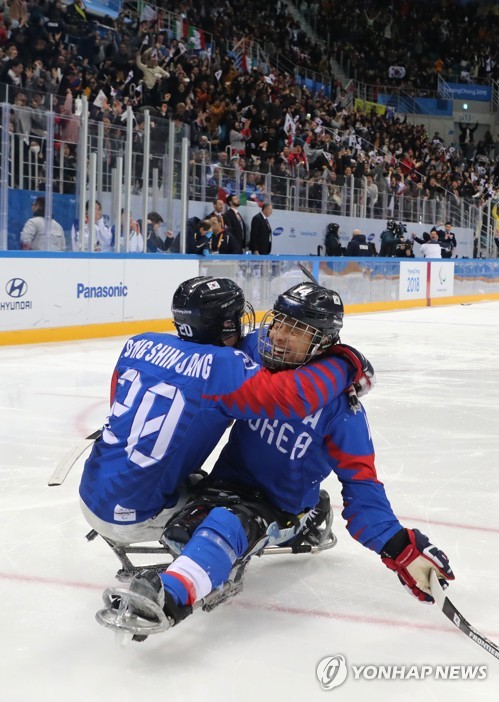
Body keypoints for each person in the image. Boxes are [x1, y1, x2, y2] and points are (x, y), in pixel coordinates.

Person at [103, 283, 454, 636]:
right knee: (185, 522)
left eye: (296, 331)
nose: (279, 336)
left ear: (322, 343)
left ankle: (170, 597)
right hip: (221, 483)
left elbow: (363, 489)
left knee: (225, 525)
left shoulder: (342, 413)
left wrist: (401, 548)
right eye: (279, 323)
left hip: (276, 505)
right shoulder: (256, 349)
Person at [81, 276, 372, 547]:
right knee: (231, 510)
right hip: (136, 514)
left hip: (89, 494)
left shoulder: (139, 342)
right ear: (225, 326)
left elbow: (116, 407)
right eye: (236, 319)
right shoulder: (223, 365)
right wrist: (346, 363)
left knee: (193, 477)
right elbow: (293, 397)